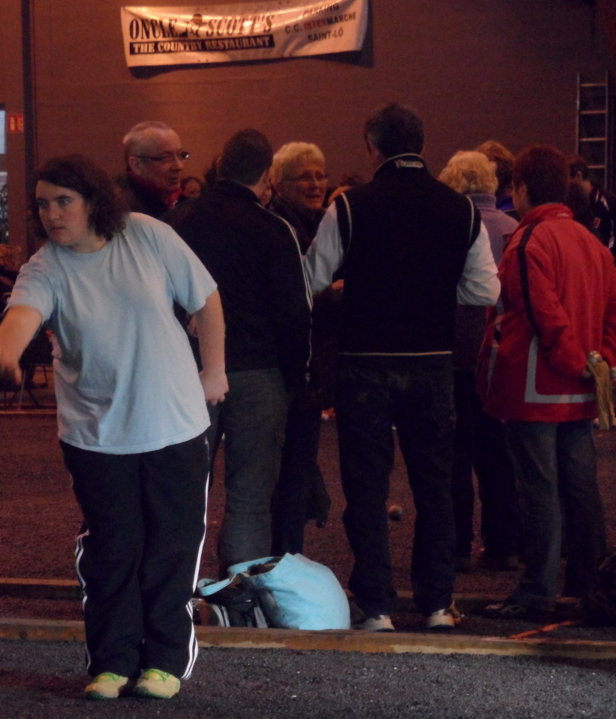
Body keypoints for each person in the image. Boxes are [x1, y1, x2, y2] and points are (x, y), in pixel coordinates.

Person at [0, 154, 226, 701]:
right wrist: (4, 352)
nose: (51, 213)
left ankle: (165, 660)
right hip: (96, 435)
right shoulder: (45, 267)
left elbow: (206, 299)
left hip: (176, 423)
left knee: (172, 545)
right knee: (113, 550)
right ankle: (113, 662)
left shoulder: (146, 235)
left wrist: (213, 370)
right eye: (43, 204)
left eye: (63, 201)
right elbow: (22, 315)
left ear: (93, 201)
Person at [306, 104, 499, 631]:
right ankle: (437, 603)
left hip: (364, 362)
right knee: (434, 486)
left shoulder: (349, 206)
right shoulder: (459, 209)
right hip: (433, 362)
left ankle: (377, 606)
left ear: (373, 147)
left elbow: (313, 278)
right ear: (422, 142)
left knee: (367, 489)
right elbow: (486, 289)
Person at [479, 145, 616, 620]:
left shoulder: (528, 241)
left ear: (520, 188)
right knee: (581, 490)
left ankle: (538, 590)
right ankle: (590, 583)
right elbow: (614, 313)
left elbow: (542, 314)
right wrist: (599, 364)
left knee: (538, 491)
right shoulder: (592, 243)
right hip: (582, 389)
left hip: (535, 389)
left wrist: (573, 360)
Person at [164, 129, 312, 572]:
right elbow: (295, 312)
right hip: (259, 372)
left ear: (219, 165)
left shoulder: (179, 222)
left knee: (186, 488)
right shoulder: (274, 228)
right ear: (267, 174)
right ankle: (241, 594)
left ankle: (178, 590)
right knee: (250, 493)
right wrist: (296, 379)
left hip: (190, 370)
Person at [438, 150, 520, 573]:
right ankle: (503, 544)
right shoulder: (512, 229)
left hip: (452, 354)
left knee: (455, 454)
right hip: (497, 355)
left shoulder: (447, 227)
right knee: (496, 455)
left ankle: (458, 546)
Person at [267, 141, 337, 555]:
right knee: (287, 472)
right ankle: (283, 559)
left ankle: (286, 554)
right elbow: (288, 297)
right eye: (305, 176)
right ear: (278, 183)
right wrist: (331, 295)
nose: (315, 183)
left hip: (306, 372)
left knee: (296, 468)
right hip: (287, 370)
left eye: (320, 174)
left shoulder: (317, 224)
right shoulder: (281, 228)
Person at [116, 121, 189, 217]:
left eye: (181, 155)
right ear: (137, 165)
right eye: (166, 158)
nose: (179, 166)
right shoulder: (124, 212)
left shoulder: (183, 203)